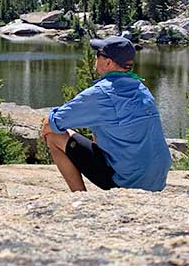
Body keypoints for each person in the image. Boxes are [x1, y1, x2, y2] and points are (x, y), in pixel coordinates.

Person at [41, 36, 171, 191]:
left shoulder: (102, 93)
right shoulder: (141, 87)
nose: (95, 58)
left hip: (127, 181)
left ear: (108, 63)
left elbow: (52, 123)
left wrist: (47, 127)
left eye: (98, 55)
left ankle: (80, 197)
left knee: (53, 134)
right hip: (156, 180)